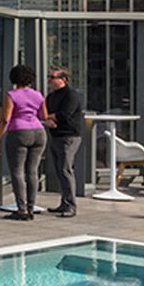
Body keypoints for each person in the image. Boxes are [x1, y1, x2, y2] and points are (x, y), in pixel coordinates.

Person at [0, 64, 48, 221]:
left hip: (19, 132)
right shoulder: (38, 94)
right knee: (33, 171)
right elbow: (43, 116)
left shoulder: (11, 95)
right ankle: (31, 207)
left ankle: (21, 209)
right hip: (39, 132)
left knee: (17, 171)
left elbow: (5, 119)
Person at [43, 67, 86, 217]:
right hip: (55, 136)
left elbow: (66, 114)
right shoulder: (51, 97)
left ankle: (71, 206)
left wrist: (51, 118)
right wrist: (48, 120)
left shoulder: (71, 95)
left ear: (63, 79)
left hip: (69, 136)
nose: (50, 80)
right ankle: (64, 202)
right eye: (49, 77)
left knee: (65, 170)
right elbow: (45, 113)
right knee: (60, 171)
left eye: (53, 77)